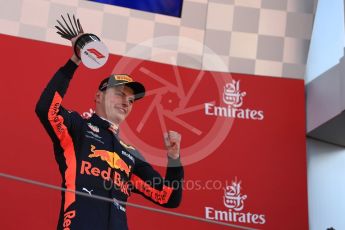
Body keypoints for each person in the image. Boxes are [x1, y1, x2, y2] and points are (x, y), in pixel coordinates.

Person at [35, 36, 184, 230]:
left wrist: (174, 159)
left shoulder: (130, 153)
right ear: (99, 96)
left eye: (131, 101)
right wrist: (75, 60)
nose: (126, 103)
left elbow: (168, 197)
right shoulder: (78, 128)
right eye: (120, 95)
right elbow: (46, 109)